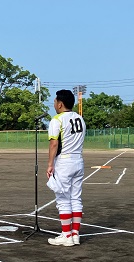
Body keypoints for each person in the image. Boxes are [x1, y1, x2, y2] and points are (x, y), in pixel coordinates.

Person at [46, 89, 86, 247]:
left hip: (64, 161)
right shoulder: (79, 118)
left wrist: (50, 164)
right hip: (78, 160)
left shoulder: (57, 119)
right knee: (76, 198)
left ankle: (66, 235)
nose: (54, 104)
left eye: (55, 101)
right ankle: (75, 234)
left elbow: (54, 143)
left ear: (60, 104)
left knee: (62, 199)